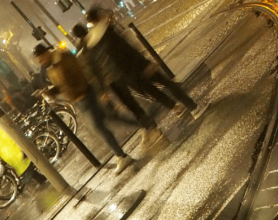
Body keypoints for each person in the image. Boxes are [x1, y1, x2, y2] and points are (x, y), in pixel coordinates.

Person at [85, 8, 205, 144]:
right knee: (166, 83)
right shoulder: (108, 33)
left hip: (127, 76)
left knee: (154, 92)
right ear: (97, 18)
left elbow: (99, 69)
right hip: (138, 66)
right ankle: (193, 107)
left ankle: (176, 108)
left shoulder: (92, 44)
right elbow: (127, 50)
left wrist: (104, 89)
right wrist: (146, 64)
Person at [33, 43, 134, 174]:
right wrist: (50, 92)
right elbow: (61, 85)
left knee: (98, 127)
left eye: (41, 58)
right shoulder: (51, 67)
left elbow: (79, 72)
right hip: (79, 99)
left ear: (46, 53)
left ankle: (122, 156)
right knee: (110, 119)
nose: (41, 62)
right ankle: (144, 125)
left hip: (85, 95)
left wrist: (81, 92)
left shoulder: (63, 57)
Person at [0, 113, 43, 183]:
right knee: (34, 165)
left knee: (29, 171)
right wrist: (21, 149)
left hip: (9, 158)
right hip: (17, 152)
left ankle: (41, 179)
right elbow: (11, 139)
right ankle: (44, 180)